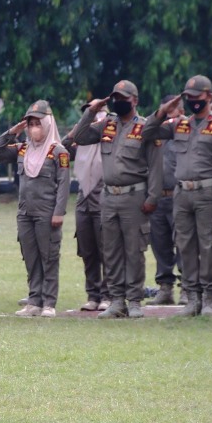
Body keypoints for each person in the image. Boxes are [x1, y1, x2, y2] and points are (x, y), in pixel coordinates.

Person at [143, 76, 212, 315]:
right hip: (181, 193)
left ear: (209, 97)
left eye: (197, 97)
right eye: (189, 98)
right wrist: (163, 110)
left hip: (206, 192)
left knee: (209, 246)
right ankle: (192, 297)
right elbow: (149, 131)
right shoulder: (179, 124)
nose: (193, 101)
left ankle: (209, 299)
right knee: (185, 246)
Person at [72, 81, 162, 319]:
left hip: (135, 196)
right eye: (116, 98)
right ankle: (116, 300)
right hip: (109, 196)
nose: (119, 102)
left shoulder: (145, 128)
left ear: (135, 100)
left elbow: (155, 166)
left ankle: (133, 301)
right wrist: (92, 110)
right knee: (110, 251)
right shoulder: (106, 125)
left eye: (124, 98)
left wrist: (152, 197)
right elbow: (79, 137)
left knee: (134, 251)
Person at [0, 100, 70, 318]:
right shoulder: (22, 149)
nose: (34, 127)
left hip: (47, 211)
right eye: (30, 123)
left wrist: (59, 212)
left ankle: (49, 302)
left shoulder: (58, 151)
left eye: (38, 123)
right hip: (25, 212)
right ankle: (34, 300)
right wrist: (12, 132)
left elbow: (64, 184)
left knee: (49, 257)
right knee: (31, 256)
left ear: (47, 124)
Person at [62, 103, 110, 311]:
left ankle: (109, 294)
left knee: (106, 248)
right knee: (87, 248)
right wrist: (80, 127)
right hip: (83, 194)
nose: (93, 112)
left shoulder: (110, 130)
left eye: (97, 109)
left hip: (103, 191)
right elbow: (64, 146)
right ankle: (93, 294)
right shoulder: (82, 136)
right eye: (89, 110)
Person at [143, 95, 185, 306]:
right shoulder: (155, 131)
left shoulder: (185, 128)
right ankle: (165, 288)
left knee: (183, 243)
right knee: (160, 244)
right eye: (167, 108)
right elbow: (145, 130)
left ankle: (187, 287)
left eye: (175, 108)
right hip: (157, 196)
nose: (171, 111)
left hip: (180, 195)